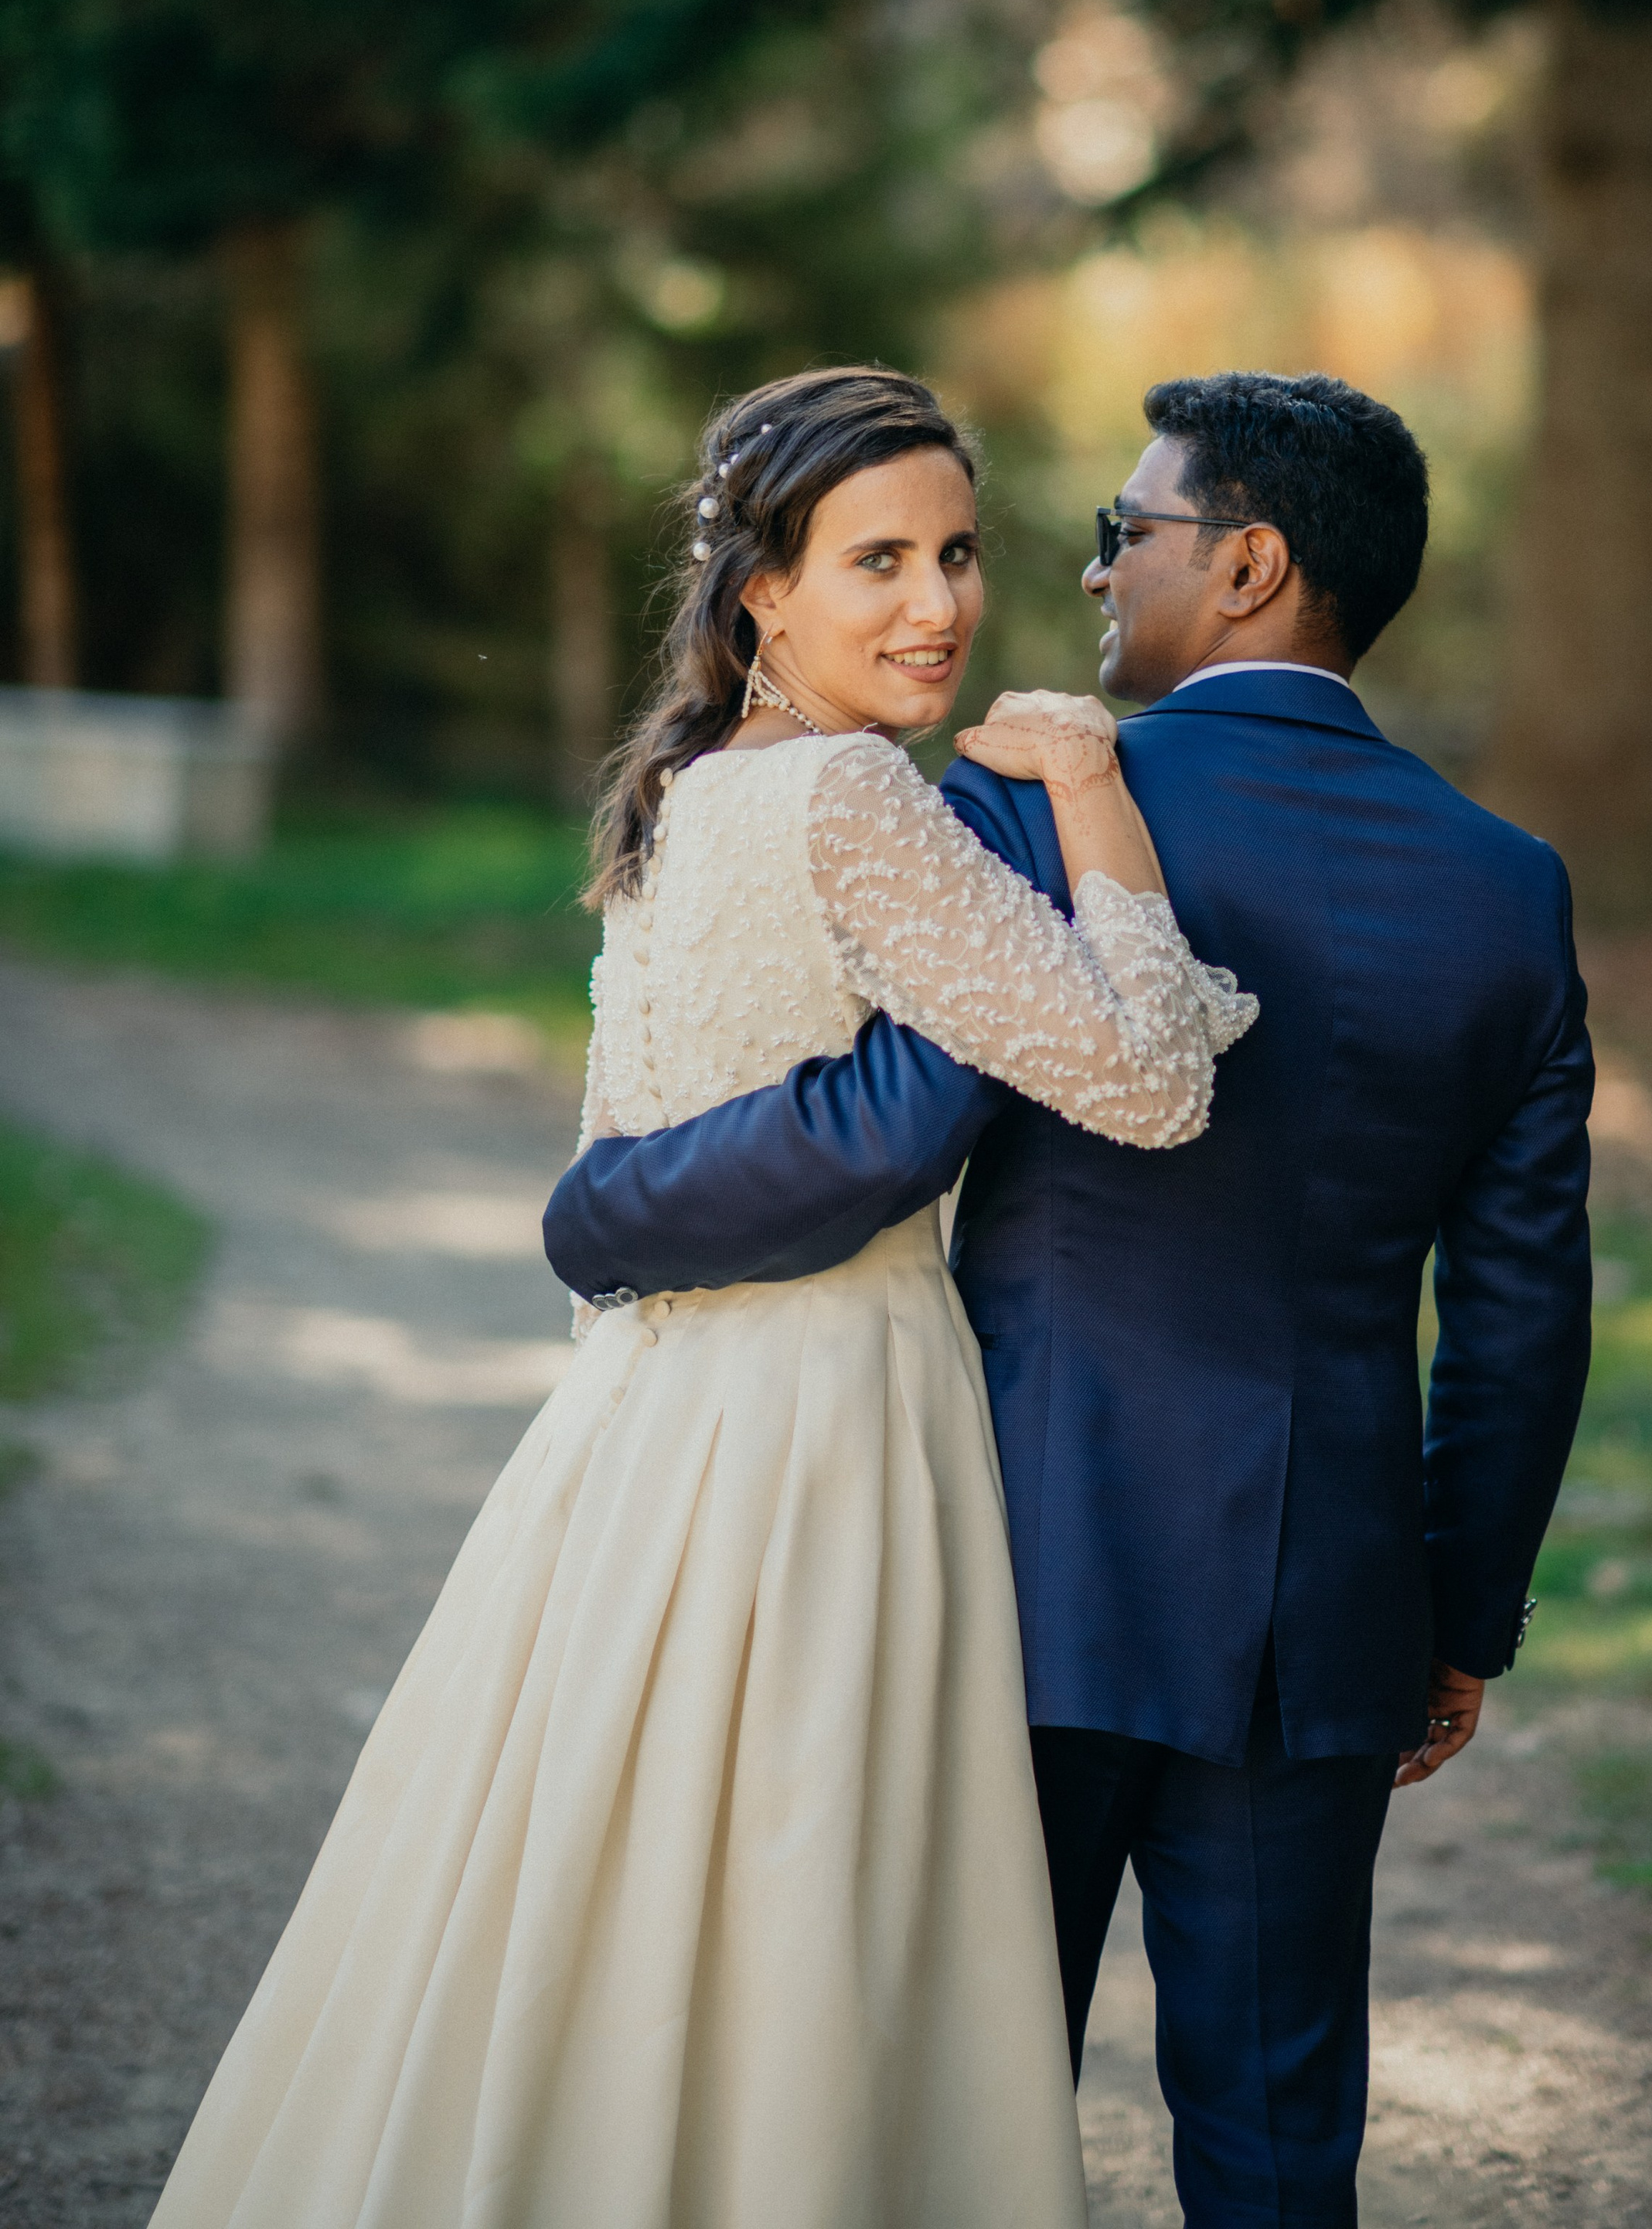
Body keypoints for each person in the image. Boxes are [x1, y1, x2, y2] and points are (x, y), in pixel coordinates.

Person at [151, 366, 1255, 2229]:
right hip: (832, 1416)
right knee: (798, 1891)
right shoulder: (850, 801)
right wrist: (1082, 784)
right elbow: (1148, 1079)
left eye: (960, 554)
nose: (936, 605)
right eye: (876, 561)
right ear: (762, 592)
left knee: (604, 1880)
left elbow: (625, 1147)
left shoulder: (683, 796)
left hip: (643, 1424)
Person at [547, 366, 1596, 2229]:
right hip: (1320, 1606)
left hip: (1012, 1572)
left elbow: (886, 1127)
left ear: (1249, 564)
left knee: (944, 2117)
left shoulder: (1027, 789)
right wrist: (1461, 1614)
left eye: (1126, 535)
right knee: (1278, 2145)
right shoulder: (1507, 892)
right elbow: (1519, 1315)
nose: (1090, 576)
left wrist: (605, 1207)